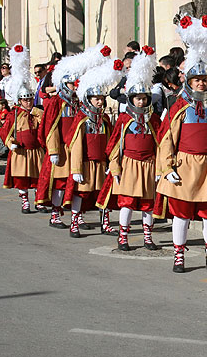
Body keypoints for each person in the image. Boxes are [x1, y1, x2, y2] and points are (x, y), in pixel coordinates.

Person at [155, 13, 207, 273]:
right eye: (196, 80)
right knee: (181, 215)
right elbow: (167, 139)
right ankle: (179, 255)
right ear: (188, 82)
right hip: (185, 166)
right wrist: (168, 169)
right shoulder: (179, 107)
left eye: (204, 80)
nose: (201, 83)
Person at [36, 44, 111, 229]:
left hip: (77, 149)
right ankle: (55, 214)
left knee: (79, 185)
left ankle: (79, 216)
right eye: (71, 83)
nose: (74, 86)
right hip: (62, 149)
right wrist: (53, 150)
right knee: (60, 184)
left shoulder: (79, 104)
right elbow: (51, 127)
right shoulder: (56, 102)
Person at [97, 46, 162, 251]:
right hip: (129, 165)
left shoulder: (153, 119)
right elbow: (114, 145)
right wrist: (115, 168)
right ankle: (123, 237)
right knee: (127, 203)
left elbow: (161, 143)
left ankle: (148, 237)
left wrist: (160, 169)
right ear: (131, 99)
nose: (141, 101)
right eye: (137, 98)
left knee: (148, 204)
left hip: (149, 165)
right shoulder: (124, 119)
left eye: (144, 98)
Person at [63, 54, 124, 238]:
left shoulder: (104, 119)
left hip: (101, 164)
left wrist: (111, 164)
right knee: (81, 194)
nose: (100, 101)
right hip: (86, 164)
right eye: (96, 98)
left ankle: (105, 223)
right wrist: (76, 168)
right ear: (88, 99)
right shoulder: (82, 119)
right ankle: (74, 222)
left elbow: (111, 142)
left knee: (103, 194)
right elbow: (75, 144)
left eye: (101, 98)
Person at [0, 44, 45, 212]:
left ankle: (39, 201)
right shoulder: (14, 114)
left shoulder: (37, 112)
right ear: (19, 100)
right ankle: (24, 201)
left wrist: (35, 111)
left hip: (36, 150)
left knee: (38, 177)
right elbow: (5, 131)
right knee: (22, 178)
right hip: (21, 151)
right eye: (25, 100)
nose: (28, 102)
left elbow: (46, 124)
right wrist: (10, 143)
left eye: (30, 99)